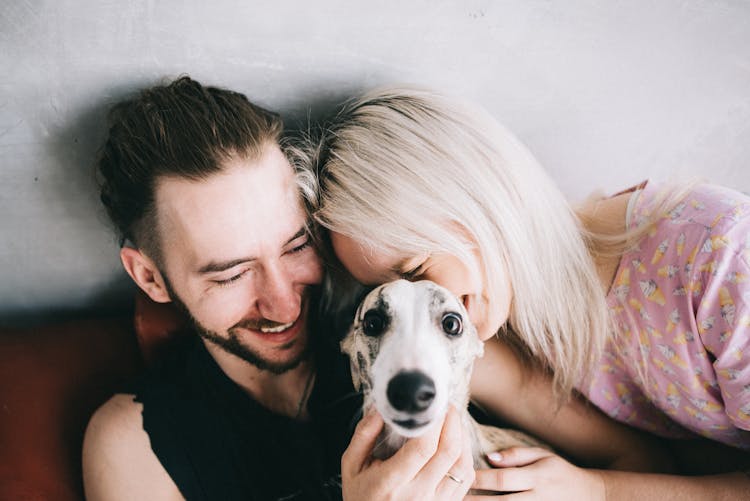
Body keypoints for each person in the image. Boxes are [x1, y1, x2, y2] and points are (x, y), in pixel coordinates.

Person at [306, 86, 750, 499]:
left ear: (471, 197)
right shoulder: (478, 334)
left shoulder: (718, 255)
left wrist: (598, 491)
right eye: (393, 296)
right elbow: (644, 460)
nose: (424, 306)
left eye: (417, 270)